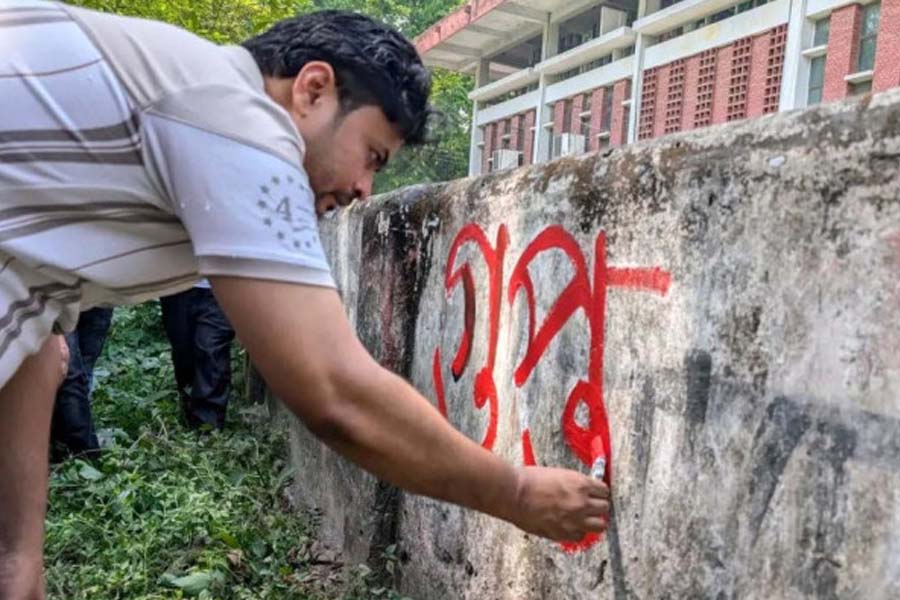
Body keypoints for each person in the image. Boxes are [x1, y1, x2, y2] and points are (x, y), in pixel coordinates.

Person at [0, 4, 610, 596]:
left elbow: (40, 347)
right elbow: (334, 392)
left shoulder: (167, 104)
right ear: (312, 89)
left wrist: (18, 558)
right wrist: (517, 493)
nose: (362, 189)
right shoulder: (236, 118)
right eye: (371, 155)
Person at [160, 281, 235, 430]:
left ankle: (209, 426)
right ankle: (190, 411)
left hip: (220, 284)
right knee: (184, 353)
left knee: (211, 349)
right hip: (177, 285)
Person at [50, 307, 114, 461]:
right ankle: (86, 453)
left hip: (95, 293)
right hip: (54, 295)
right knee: (71, 375)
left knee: (84, 369)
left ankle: (60, 442)